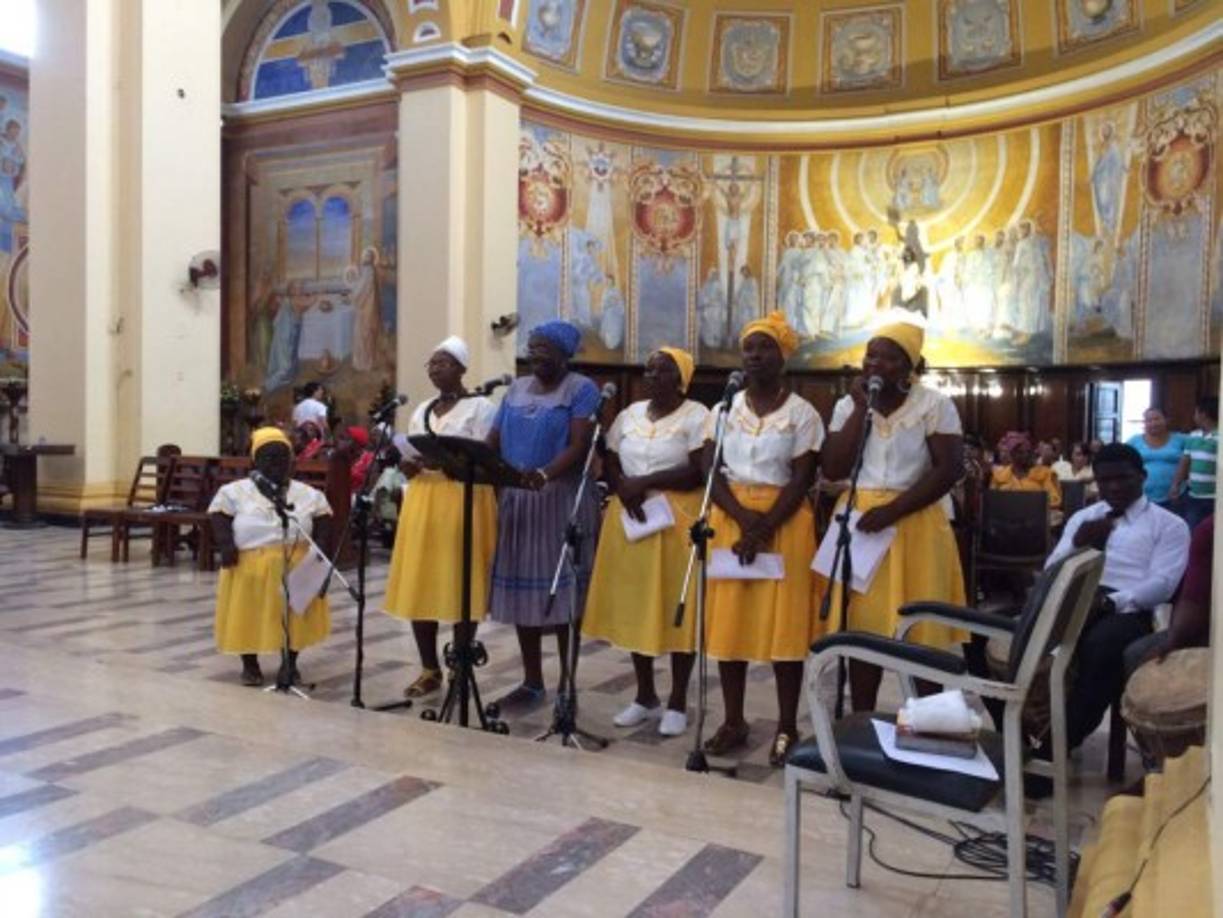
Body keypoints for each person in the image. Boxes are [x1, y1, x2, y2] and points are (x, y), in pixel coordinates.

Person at [821, 319, 967, 712]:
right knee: (863, 628)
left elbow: (949, 469)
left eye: (888, 358)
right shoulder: (847, 405)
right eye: (871, 355)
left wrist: (892, 511)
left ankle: (928, 722)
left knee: (924, 630)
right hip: (860, 527)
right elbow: (833, 468)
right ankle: (862, 720)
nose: (875, 364)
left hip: (916, 523)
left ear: (909, 366)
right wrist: (858, 409)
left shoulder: (934, 404)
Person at [702, 312, 824, 765]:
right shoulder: (723, 409)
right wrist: (741, 518)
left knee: (784, 628)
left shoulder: (802, 413)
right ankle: (733, 720)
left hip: (785, 524)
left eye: (765, 347)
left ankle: (788, 725)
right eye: (749, 348)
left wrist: (765, 524)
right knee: (728, 624)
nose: (755, 356)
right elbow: (708, 469)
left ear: (783, 357)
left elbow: (802, 476)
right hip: (731, 519)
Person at [583, 348, 708, 737]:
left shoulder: (698, 415)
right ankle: (645, 695)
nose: (651, 375)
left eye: (662, 370)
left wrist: (646, 484)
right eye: (649, 369)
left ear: (680, 378)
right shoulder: (629, 414)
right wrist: (624, 487)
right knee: (637, 603)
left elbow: (699, 470)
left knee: (677, 606)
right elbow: (613, 458)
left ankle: (677, 701)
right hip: (632, 516)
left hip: (676, 521)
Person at [1044, 443, 1190, 753]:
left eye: (1123, 478)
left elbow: (1163, 583)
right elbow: (1051, 570)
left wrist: (1112, 602)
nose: (1114, 487)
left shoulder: (1169, 525)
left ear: (1142, 476)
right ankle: (1014, 732)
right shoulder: (1084, 518)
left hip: (1126, 609)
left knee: (1102, 647)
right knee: (983, 637)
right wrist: (1078, 545)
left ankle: (1056, 747)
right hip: (1073, 595)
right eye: (1105, 480)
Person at [487, 320, 601, 708]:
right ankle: (532, 681)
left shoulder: (581, 389)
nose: (536, 355)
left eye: (544, 349)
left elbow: (580, 443)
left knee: (565, 592)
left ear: (564, 354)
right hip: (519, 500)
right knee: (523, 591)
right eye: (532, 348)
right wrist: (483, 465)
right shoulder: (516, 389)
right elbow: (494, 438)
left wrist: (545, 473)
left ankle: (568, 686)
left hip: (561, 498)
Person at [383, 337, 499, 699]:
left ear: (462, 369)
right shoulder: (422, 409)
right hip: (423, 499)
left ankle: (461, 666)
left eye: (444, 363)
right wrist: (409, 465)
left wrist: (447, 462)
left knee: (461, 581)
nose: (435, 369)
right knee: (422, 580)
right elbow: (416, 451)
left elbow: (488, 459)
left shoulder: (482, 408)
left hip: (464, 498)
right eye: (431, 364)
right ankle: (429, 668)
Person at [208, 427, 332, 686]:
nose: (276, 463)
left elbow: (324, 520)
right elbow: (218, 515)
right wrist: (225, 544)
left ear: (291, 461)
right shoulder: (234, 491)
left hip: (297, 563)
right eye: (268, 457)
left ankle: (290, 663)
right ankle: (250, 665)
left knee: (296, 617)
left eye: (281, 457)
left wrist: (319, 554)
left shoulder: (308, 494)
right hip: (249, 564)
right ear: (254, 461)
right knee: (248, 614)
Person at [1124, 514, 1213, 677]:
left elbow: (1194, 601)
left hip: (1210, 633)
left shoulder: (1210, 529)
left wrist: (1173, 642)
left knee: (1137, 654)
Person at [1169, 397, 1218, 531]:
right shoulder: (1193, 436)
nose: (1194, 416)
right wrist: (1175, 485)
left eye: (1196, 412)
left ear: (1203, 414)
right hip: (1194, 496)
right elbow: (1184, 463)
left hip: (1215, 498)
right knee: (1193, 531)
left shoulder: (1219, 437)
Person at [1126, 407, 1186, 506]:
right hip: (1141, 497)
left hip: (1176, 495)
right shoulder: (1134, 440)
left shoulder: (1181, 439)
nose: (1153, 423)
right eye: (1148, 420)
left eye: (1157, 419)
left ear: (1166, 420)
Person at [990, 431, 1061, 512]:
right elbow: (992, 502)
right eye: (1020, 452)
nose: (1025, 455)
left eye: (1028, 451)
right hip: (1006, 518)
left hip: (1035, 518)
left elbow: (1054, 501)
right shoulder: (999, 476)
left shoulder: (1044, 474)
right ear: (1011, 454)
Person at [336, 425, 374, 492]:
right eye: (341, 438)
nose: (341, 442)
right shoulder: (338, 457)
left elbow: (370, 482)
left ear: (356, 442)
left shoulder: (368, 457)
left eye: (346, 439)